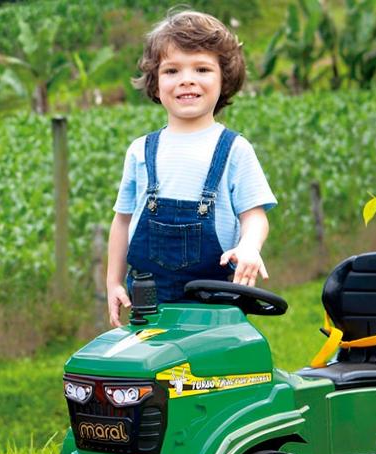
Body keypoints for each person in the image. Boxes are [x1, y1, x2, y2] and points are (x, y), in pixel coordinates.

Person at [106, 10, 277, 327]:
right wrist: (113, 281)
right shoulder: (141, 151)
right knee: (151, 372)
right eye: (172, 70)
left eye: (202, 69)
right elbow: (122, 220)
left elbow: (254, 215)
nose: (187, 79)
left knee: (210, 374)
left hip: (214, 300)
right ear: (156, 85)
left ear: (224, 80)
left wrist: (250, 247)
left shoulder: (234, 150)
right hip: (148, 299)